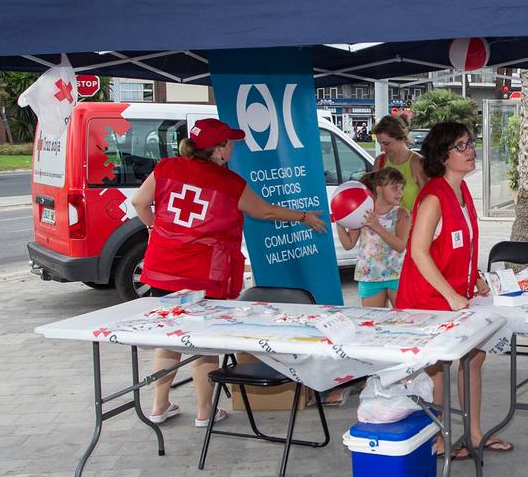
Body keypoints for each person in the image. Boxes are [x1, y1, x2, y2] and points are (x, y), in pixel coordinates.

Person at [130, 118, 326, 427]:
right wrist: (303, 216)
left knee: (168, 339)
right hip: (205, 274)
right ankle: (205, 412)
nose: (233, 147)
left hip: (165, 270)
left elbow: (140, 202)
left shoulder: (166, 168)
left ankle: (158, 406)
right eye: (230, 143)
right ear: (219, 150)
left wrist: (156, 227)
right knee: (202, 343)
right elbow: (266, 211)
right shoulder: (229, 183)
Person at [394, 121, 511, 457]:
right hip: (427, 300)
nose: (470, 150)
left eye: (470, 143)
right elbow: (417, 251)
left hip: (457, 298)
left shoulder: (461, 192)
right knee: (437, 372)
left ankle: (473, 434)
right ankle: (437, 437)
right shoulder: (434, 196)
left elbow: (462, 243)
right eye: (461, 146)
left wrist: (474, 276)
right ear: (442, 155)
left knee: (475, 358)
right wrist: (450, 294)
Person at [335, 167, 410, 309]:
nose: (400, 193)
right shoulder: (362, 211)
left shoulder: (402, 213)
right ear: (380, 189)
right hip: (369, 276)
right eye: (395, 188)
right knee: (375, 323)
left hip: (398, 275)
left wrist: (377, 226)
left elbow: (400, 246)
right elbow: (348, 244)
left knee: (404, 320)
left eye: (402, 188)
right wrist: (340, 221)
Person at [371, 115, 427, 212]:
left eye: (386, 143)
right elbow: (374, 197)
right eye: (380, 143)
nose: (382, 149)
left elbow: (428, 203)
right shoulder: (380, 162)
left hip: (412, 225)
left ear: (401, 138)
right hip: (382, 225)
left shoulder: (418, 163)